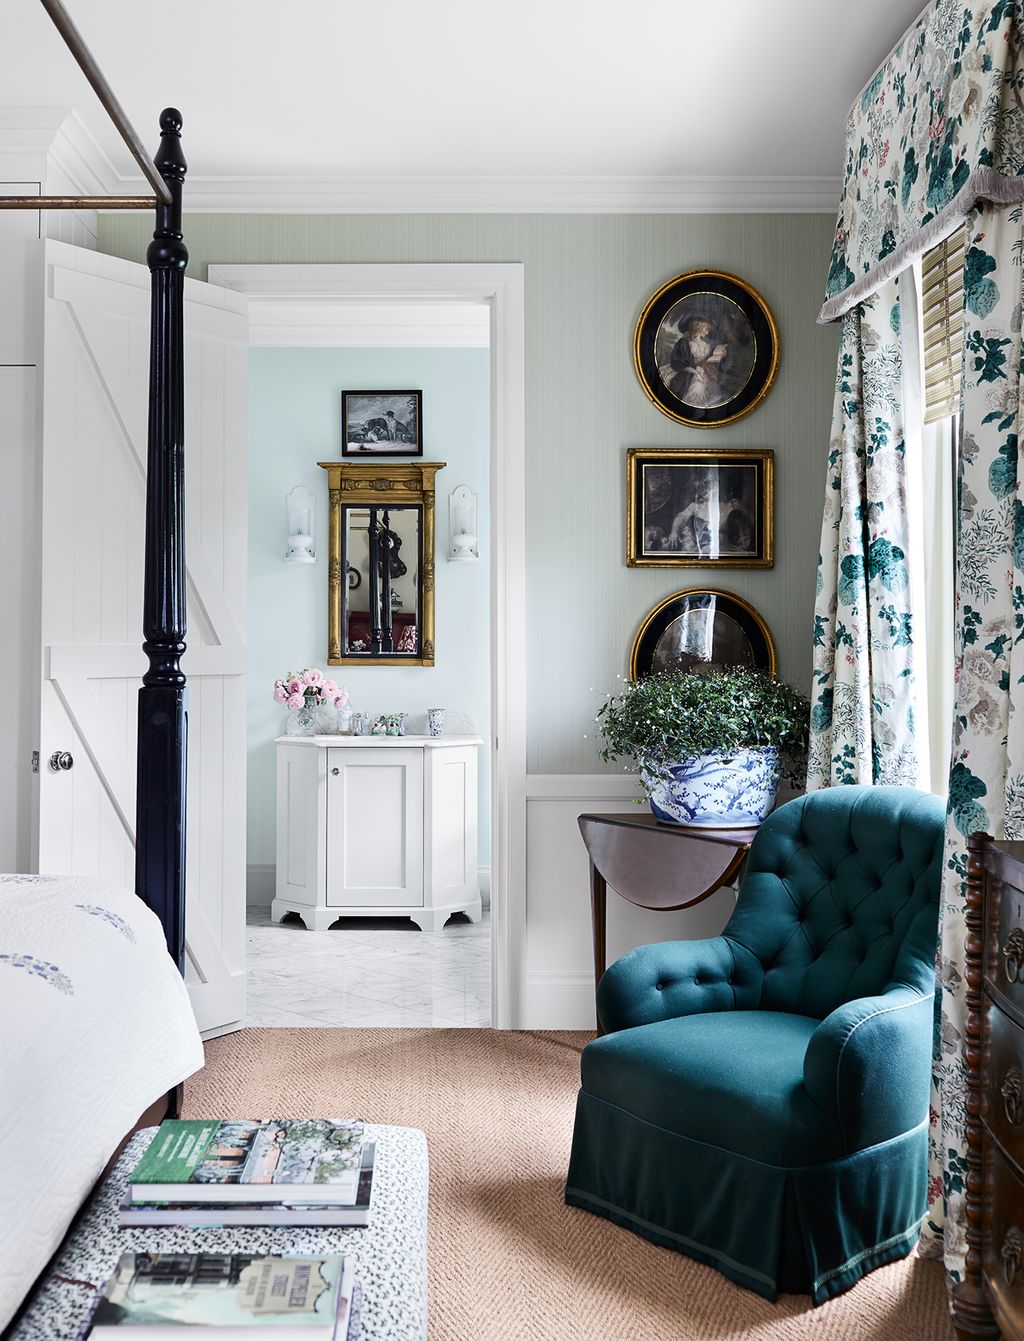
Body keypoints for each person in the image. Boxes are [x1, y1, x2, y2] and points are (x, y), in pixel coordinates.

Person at [666, 317, 729, 409]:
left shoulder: (707, 343)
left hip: (705, 369)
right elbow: (678, 361)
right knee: (698, 386)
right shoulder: (684, 343)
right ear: (698, 327)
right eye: (706, 329)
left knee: (714, 389)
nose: (707, 332)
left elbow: (710, 356)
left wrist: (721, 354)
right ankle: (692, 410)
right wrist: (696, 372)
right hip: (688, 370)